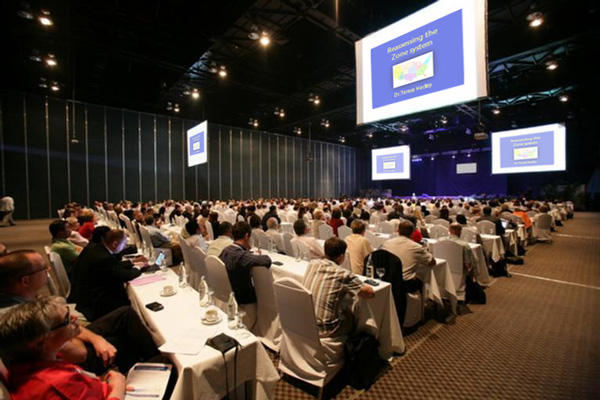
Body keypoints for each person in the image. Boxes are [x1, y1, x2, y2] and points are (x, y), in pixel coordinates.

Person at [0, 250, 159, 376]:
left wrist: (95, 339)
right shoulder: (20, 317)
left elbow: (65, 324)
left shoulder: (23, 297)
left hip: (66, 340)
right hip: (66, 364)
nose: (48, 270)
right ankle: (156, 366)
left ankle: (152, 358)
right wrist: (81, 335)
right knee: (124, 339)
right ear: (25, 281)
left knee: (125, 314)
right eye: (43, 268)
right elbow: (78, 354)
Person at [0, 297, 128, 400]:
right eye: (66, 319)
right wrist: (118, 387)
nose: (74, 318)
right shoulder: (56, 383)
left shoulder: (33, 363)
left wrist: (102, 382)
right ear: (42, 341)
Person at [302, 237, 375, 338]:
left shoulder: (312, 264)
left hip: (306, 321)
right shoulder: (342, 274)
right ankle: (354, 345)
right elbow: (370, 293)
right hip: (327, 329)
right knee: (354, 314)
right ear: (341, 256)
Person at [71, 229, 145, 321]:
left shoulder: (96, 248)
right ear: (115, 244)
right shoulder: (104, 258)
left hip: (84, 297)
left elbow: (112, 267)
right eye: (123, 244)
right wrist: (139, 267)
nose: (124, 246)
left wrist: (132, 262)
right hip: (96, 304)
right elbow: (126, 276)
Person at [219, 222, 271, 329]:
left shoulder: (225, 250)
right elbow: (267, 260)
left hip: (229, 293)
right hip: (244, 297)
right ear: (247, 236)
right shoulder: (240, 255)